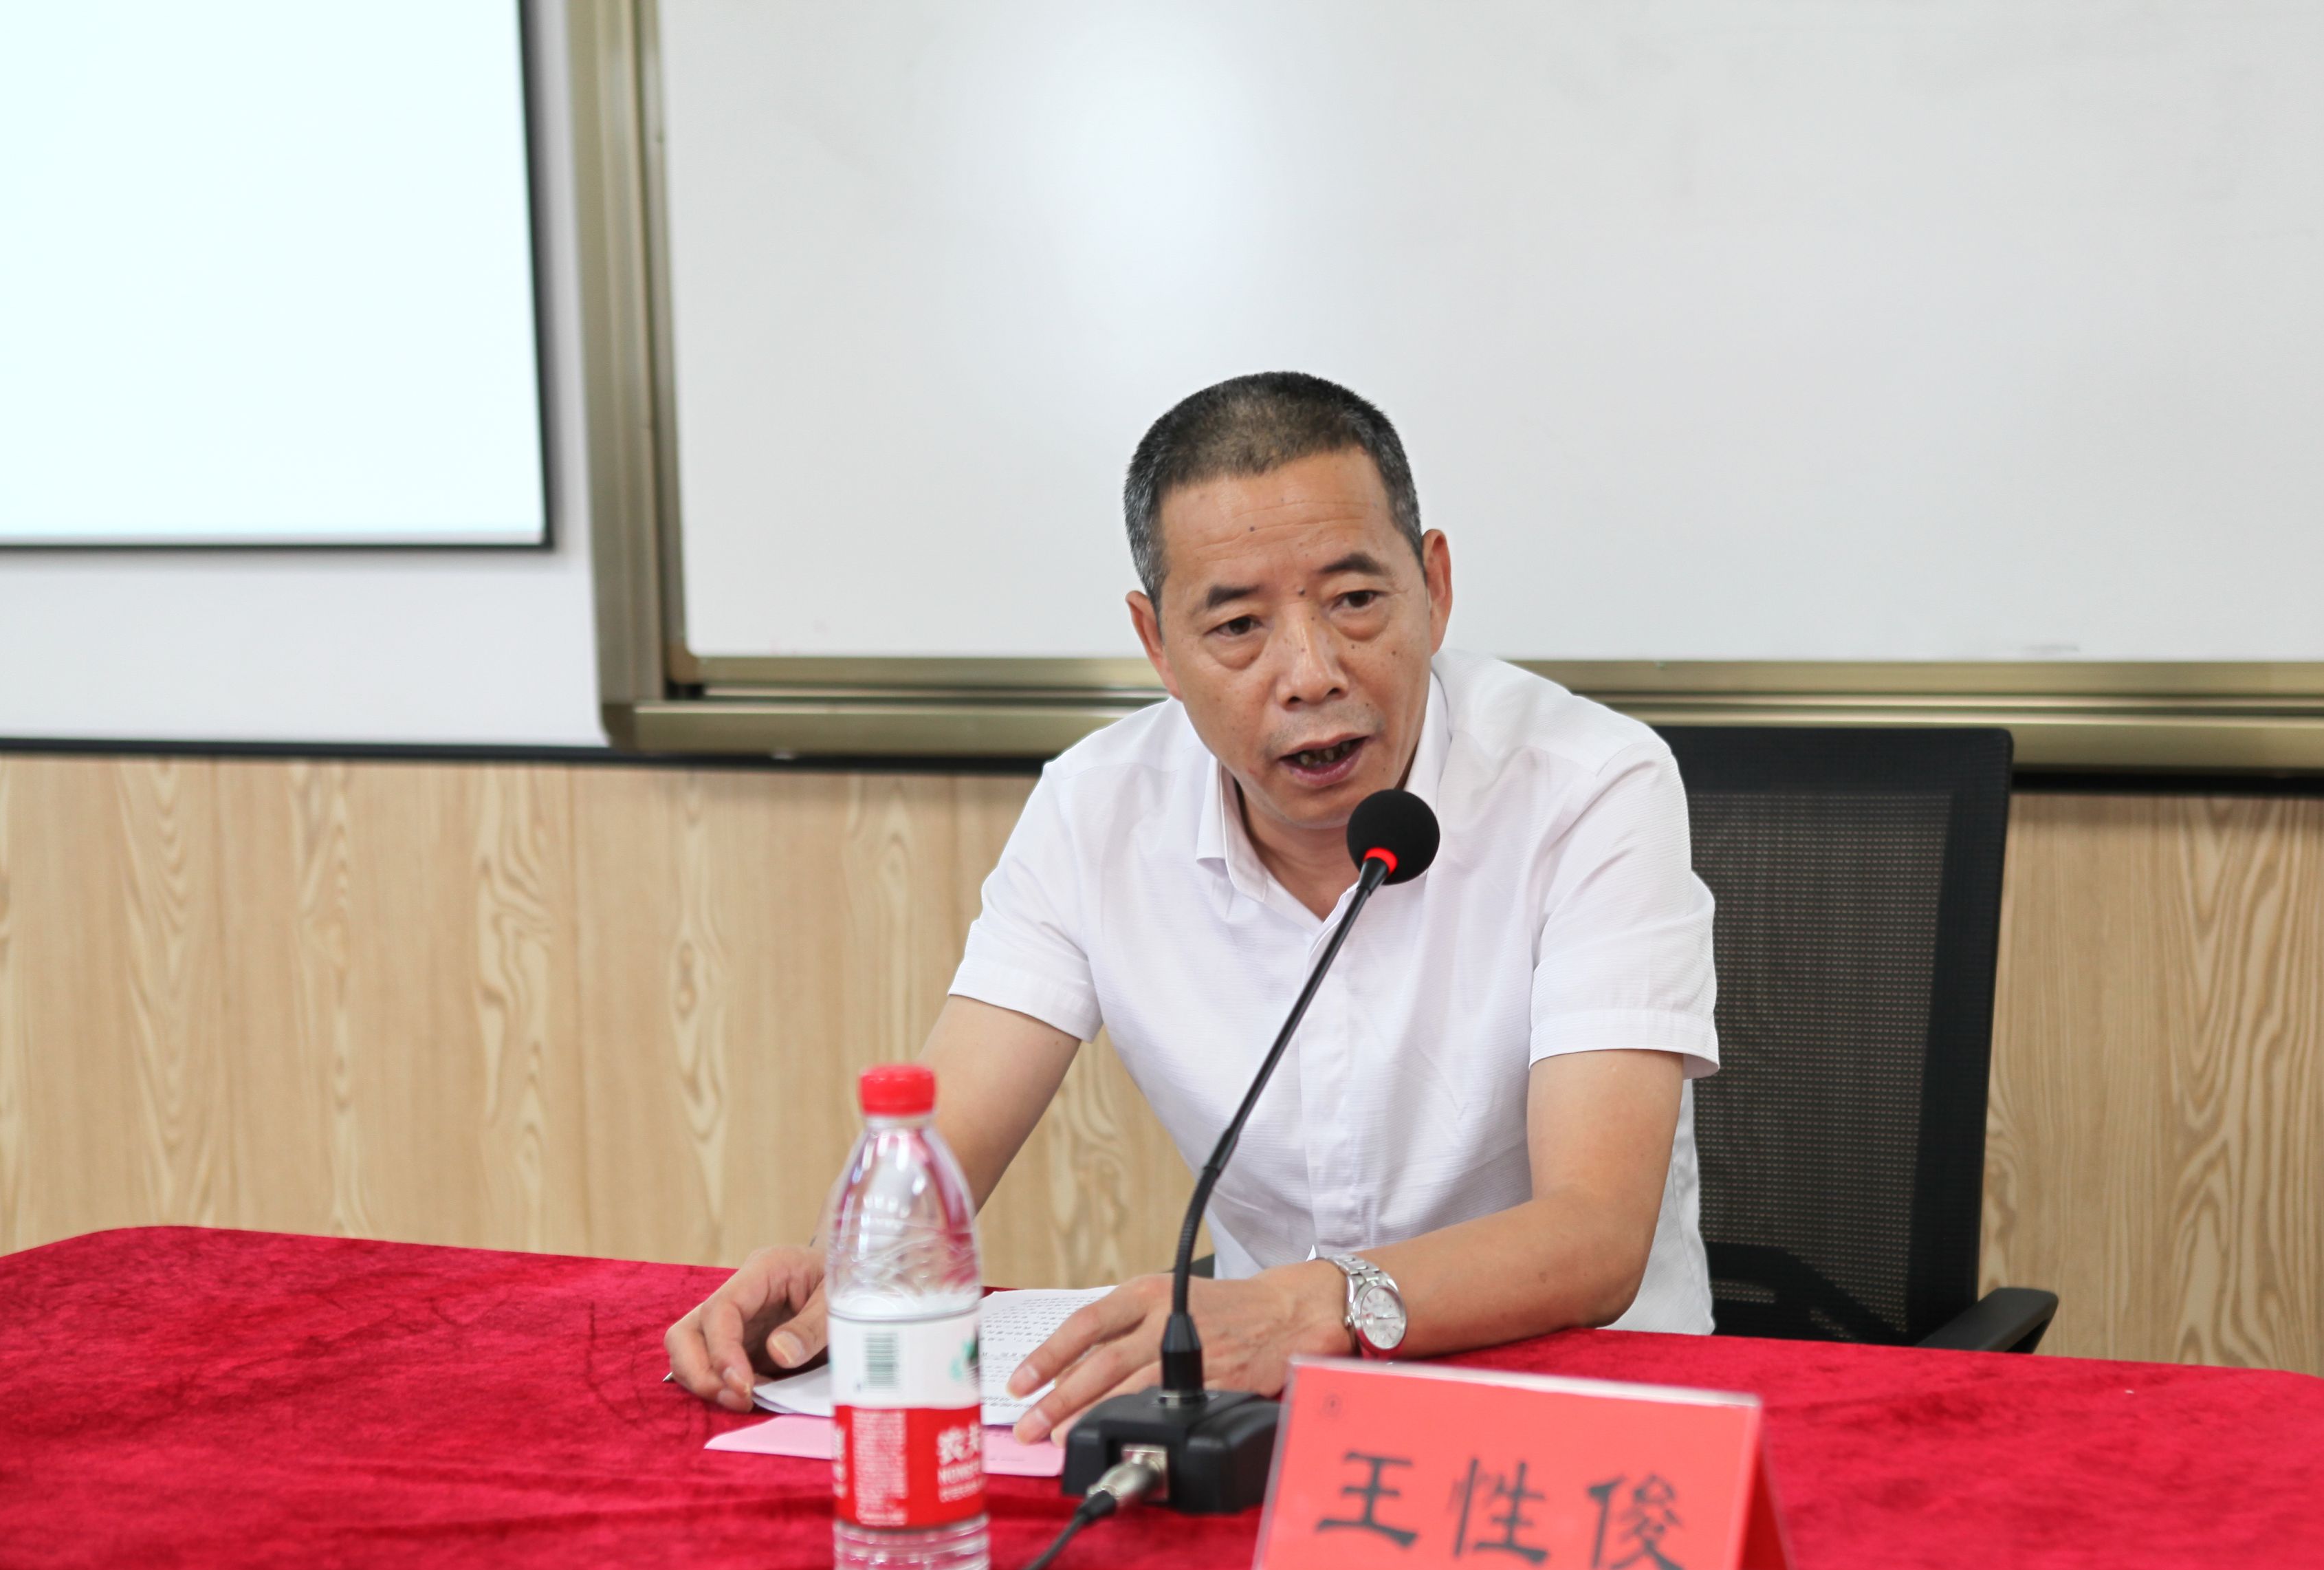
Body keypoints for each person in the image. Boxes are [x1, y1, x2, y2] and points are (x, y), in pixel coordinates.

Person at [665, 373, 1718, 1443]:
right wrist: (842, 1273)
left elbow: (1595, 1231)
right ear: (1158, 644)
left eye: (1356, 602)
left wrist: (1311, 1305)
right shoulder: (1097, 808)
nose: (1310, 673)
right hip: (1270, 1411)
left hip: (1586, 1406)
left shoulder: (1591, 785)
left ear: (1435, 586)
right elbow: (946, 1133)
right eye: (1239, 625)